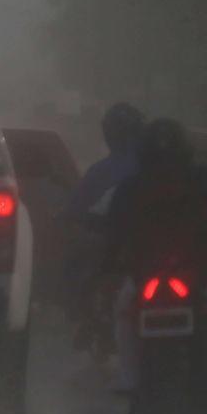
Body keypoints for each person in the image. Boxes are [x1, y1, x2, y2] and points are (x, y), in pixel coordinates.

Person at [104, 119, 207, 414]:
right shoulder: (206, 180)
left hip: (145, 280)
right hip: (201, 277)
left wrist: (107, 267)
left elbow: (113, 236)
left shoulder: (130, 188)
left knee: (124, 315)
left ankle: (131, 381)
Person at [62, 103, 145, 348]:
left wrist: (65, 215)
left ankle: (81, 316)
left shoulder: (102, 170)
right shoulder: (162, 166)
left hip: (112, 242)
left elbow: (77, 205)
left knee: (75, 259)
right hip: (156, 245)